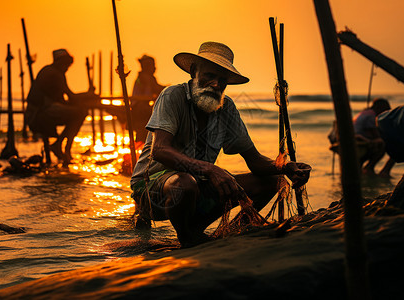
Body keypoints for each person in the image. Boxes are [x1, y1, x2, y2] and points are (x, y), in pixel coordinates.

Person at [130, 41, 311, 247]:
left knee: (273, 181)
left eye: (222, 80)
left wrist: (286, 167)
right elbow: (160, 150)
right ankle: (188, 238)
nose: (215, 84)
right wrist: (210, 169)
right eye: (209, 76)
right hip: (152, 188)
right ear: (194, 72)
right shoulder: (173, 96)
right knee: (185, 183)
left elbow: (254, 160)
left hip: (196, 186)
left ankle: (227, 231)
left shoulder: (227, 109)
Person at [25, 49, 98, 164]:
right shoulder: (55, 74)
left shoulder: (49, 71)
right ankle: (62, 146)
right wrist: (88, 94)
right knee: (80, 113)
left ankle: (61, 146)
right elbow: (71, 96)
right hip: (40, 113)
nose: (67, 68)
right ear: (60, 62)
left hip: (41, 111)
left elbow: (64, 100)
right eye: (66, 64)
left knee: (78, 111)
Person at [353, 98, 394, 176]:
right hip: (360, 138)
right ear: (379, 108)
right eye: (385, 110)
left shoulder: (365, 112)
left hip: (357, 137)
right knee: (386, 144)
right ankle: (372, 168)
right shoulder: (371, 115)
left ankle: (366, 169)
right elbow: (374, 133)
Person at [131, 55, 166, 143]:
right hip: (140, 108)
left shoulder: (148, 78)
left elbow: (157, 89)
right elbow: (156, 89)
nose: (154, 68)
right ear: (146, 67)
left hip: (142, 107)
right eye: (152, 65)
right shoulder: (144, 78)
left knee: (142, 133)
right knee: (143, 132)